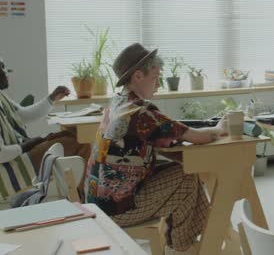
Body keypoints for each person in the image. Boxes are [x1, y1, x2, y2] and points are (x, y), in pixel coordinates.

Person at [84, 43, 227, 254]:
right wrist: (219, 128)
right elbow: (196, 137)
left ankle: (187, 243)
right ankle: (184, 246)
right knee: (187, 177)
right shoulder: (140, 111)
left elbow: (155, 137)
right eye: (155, 77)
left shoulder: (116, 102)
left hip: (97, 202)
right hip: (116, 210)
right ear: (138, 76)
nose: (158, 84)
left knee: (182, 173)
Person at [0, 56, 89, 199]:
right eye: (1, 67)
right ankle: (77, 197)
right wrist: (26, 146)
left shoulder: (1, 98)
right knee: (78, 142)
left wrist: (52, 98)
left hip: (19, 155)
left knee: (73, 134)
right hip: (12, 167)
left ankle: (75, 194)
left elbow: (24, 114)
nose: (6, 72)